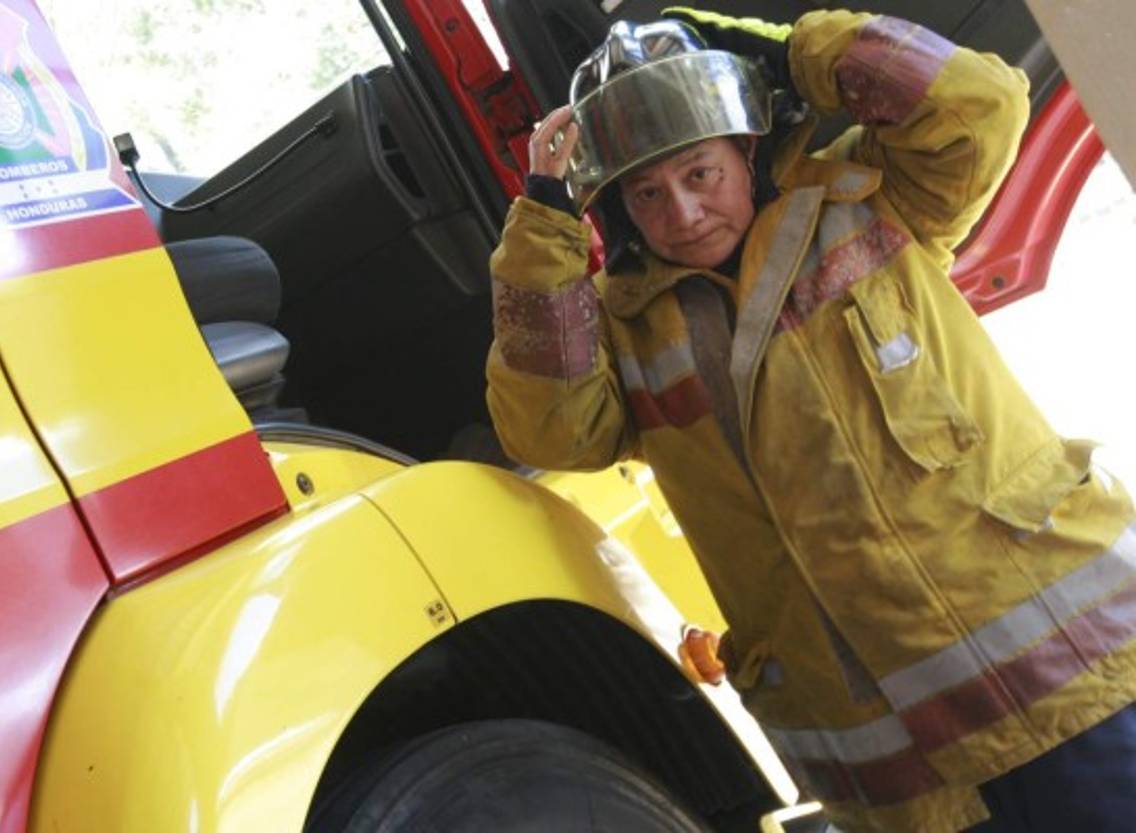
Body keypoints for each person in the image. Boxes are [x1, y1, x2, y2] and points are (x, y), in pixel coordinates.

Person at [484, 8, 1136, 833]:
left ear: (746, 150)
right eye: (646, 194)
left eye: (699, 173)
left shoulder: (869, 200)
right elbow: (547, 430)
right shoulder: (626, 330)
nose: (682, 213)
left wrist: (795, 53)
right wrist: (542, 216)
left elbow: (980, 106)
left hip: (1068, 689)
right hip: (902, 783)